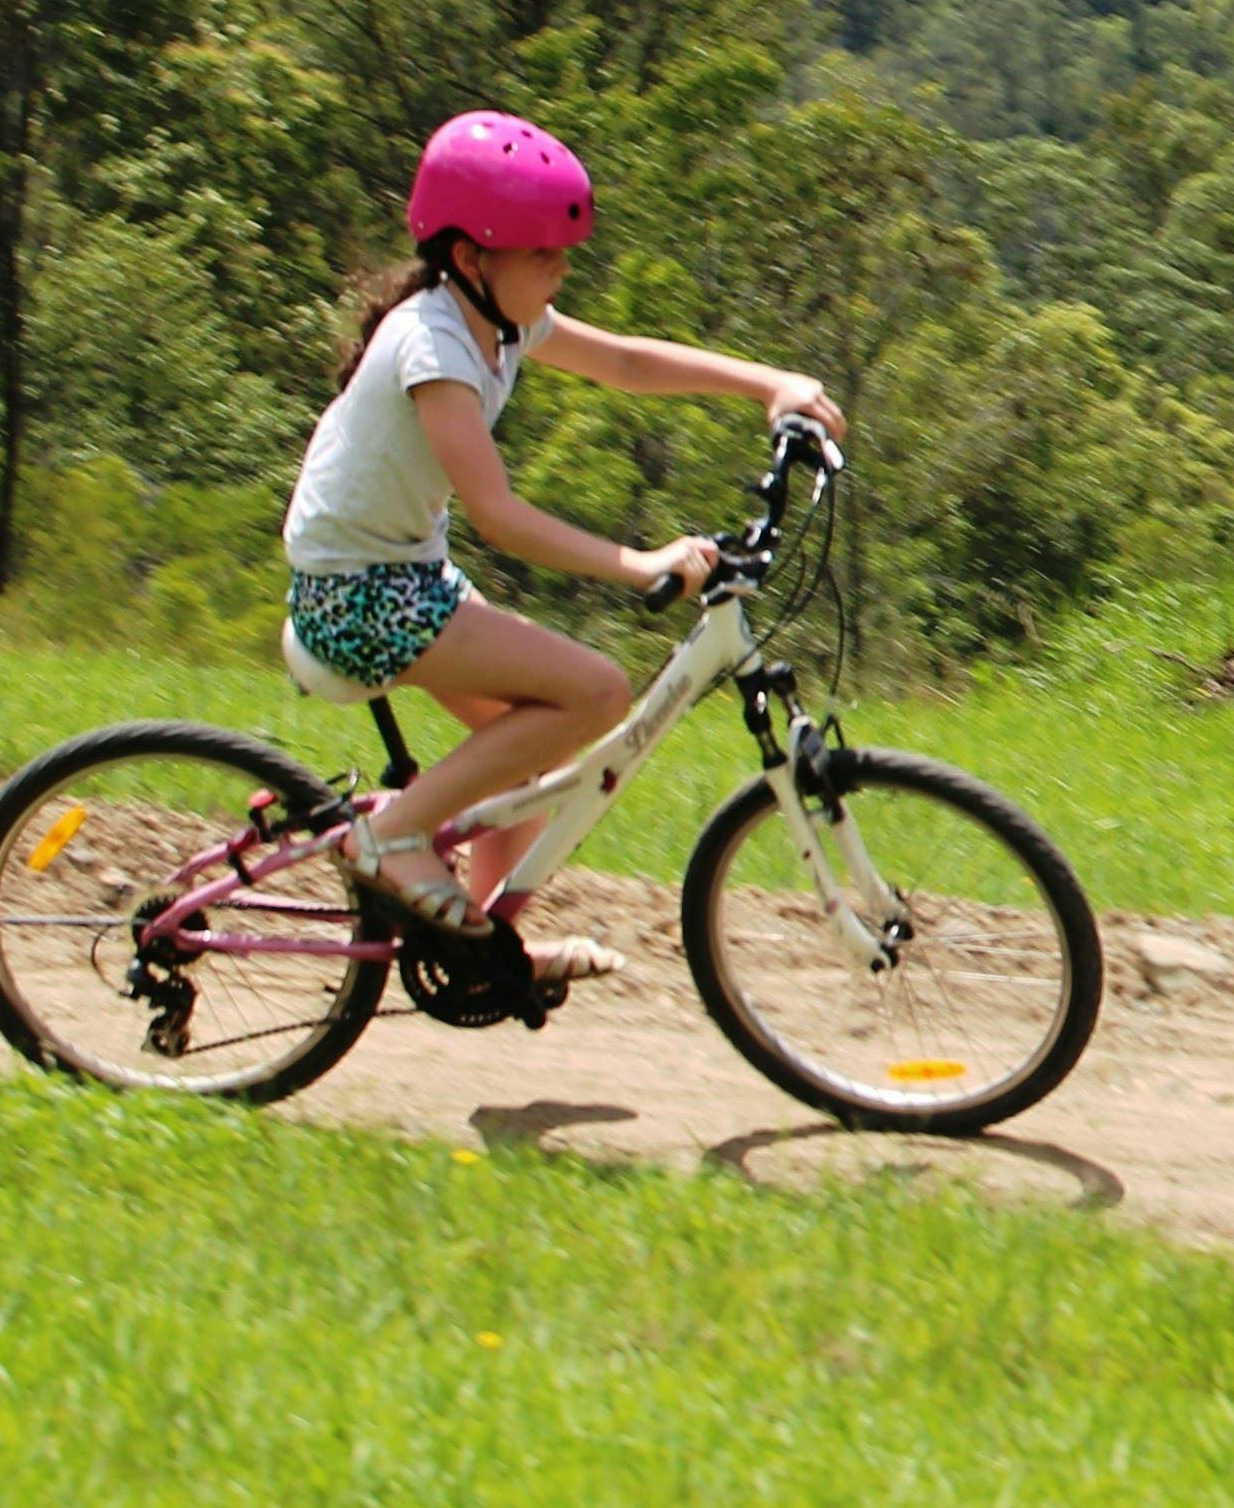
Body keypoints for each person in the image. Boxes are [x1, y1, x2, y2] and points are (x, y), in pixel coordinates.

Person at [282, 110, 841, 957]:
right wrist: (640, 564)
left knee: (531, 762)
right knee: (595, 694)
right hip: (356, 596)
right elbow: (497, 517)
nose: (562, 266)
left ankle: (479, 942)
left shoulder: (497, 319)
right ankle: (391, 838)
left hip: (405, 575)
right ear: (472, 258)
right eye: (542, 251)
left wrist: (771, 384)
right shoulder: (433, 346)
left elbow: (623, 363)